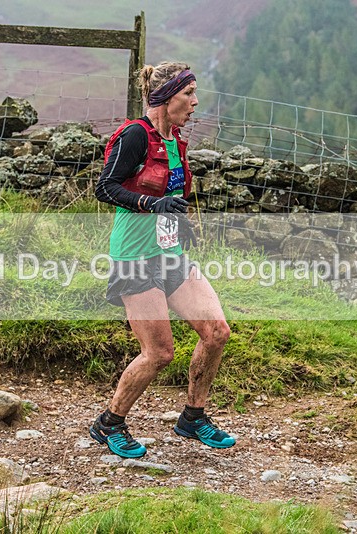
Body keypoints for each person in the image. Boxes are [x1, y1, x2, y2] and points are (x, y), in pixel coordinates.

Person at [90, 61, 235, 459]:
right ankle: (109, 424)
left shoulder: (175, 141)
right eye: (188, 93)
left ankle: (193, 417)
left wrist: (178, 223)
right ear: (166, 97)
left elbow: (171, 197)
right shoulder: (136, 135)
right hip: (133, 259)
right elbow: (105, 188)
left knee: (216, 332)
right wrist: (152, 205)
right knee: (159, 353)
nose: (195, 101)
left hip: (170, 255)